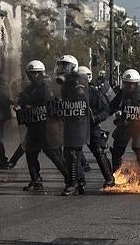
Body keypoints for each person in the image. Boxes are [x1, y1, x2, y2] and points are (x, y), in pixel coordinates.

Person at [16, 60, 67, 191]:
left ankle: (70, 179)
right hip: (33, 126)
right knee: (30, 153)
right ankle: (35, 180)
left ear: (41, 73)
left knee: (54, 154)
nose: (33, 76)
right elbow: (23, 101)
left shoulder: (49, 86)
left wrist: (31, 105)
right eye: (30, 74)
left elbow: (51, 104)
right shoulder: (29, 88)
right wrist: (22, 106)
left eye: (36, 73)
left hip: (48, 126)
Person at [54, 55, 89, 196]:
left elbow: (81, 97)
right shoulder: (64, 82)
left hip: (78, 122)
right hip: (69, 122)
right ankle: (80, 181)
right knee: (71, 154)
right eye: (61, 65)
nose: (63, 68)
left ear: (73, 66)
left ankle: (72, 183)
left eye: (66, 65)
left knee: (72, 153)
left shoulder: (77, 80)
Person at [111, 69, 140, 179]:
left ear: (137, 84)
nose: (129, 87)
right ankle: (115, 174)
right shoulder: (121, 94)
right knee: (117, 149)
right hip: (124, 126)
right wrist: (115, 113)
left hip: (138, 127)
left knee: (138, 148)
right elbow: (112, 106)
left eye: (132, 84)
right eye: (126, 84)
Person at [77, 66, 114, 188]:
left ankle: (109, 178)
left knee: (99, 150)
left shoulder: (94, 93)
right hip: (76, 127)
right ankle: (79, 180)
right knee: (74, 152)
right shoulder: (69, 93)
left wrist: (95, 118)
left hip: (91, 127)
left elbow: (105, 111)